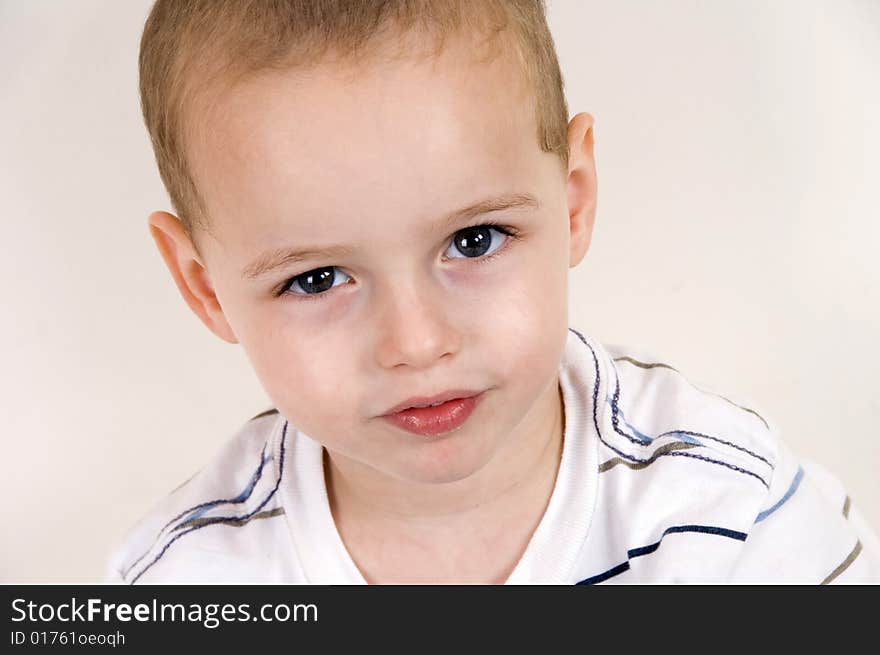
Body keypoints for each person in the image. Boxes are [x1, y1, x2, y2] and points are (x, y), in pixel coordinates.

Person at [107, 0, 880, 584]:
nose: (416, 342)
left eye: (473, 240)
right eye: (315, 279)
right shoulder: (183, 581)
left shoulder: (729, 515)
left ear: (572, 200)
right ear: (204, 288)